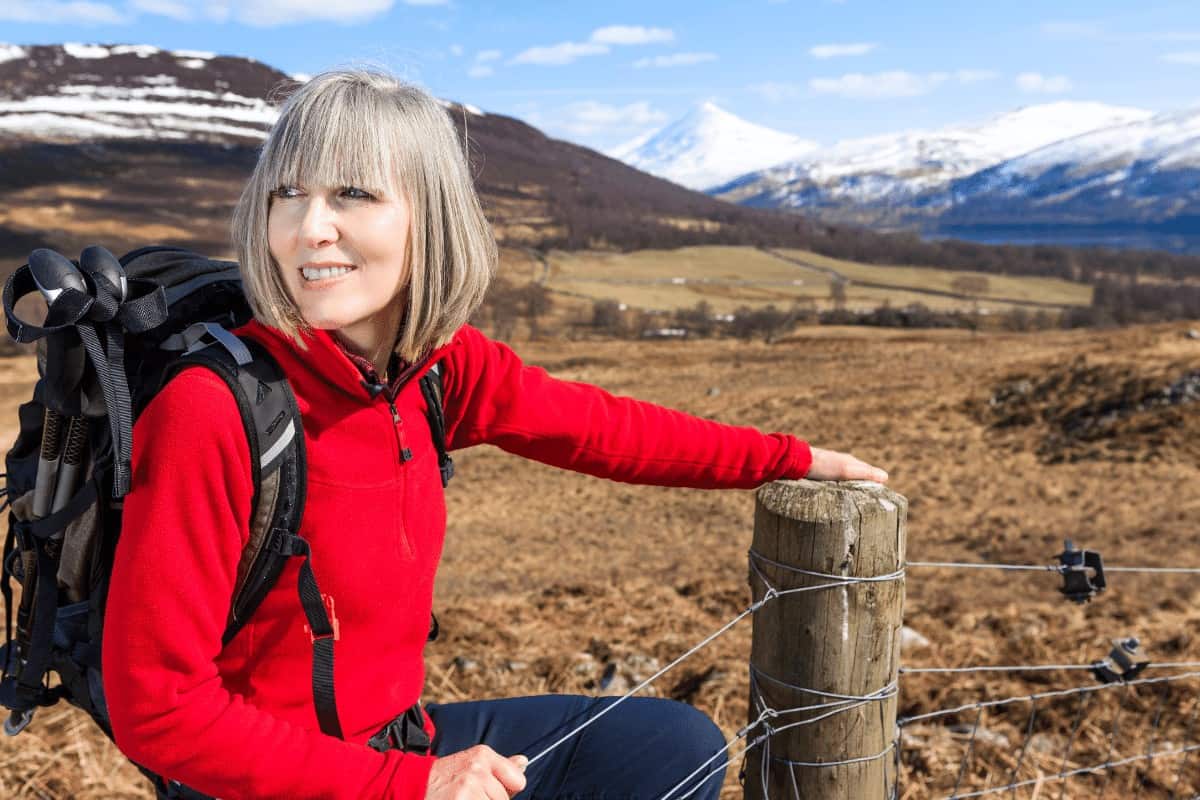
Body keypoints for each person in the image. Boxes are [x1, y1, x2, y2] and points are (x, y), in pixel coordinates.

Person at [102, 69, 888, 800]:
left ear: (430, 215)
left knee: (673, 748)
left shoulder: (432, 366)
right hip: (274, 778)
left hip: (398, 741)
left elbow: (601, 429)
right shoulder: (211, 408)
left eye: (352, 193)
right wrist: (413, 787)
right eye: (287, 194)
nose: (311, 228)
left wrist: (788, 459)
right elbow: (160, 711)